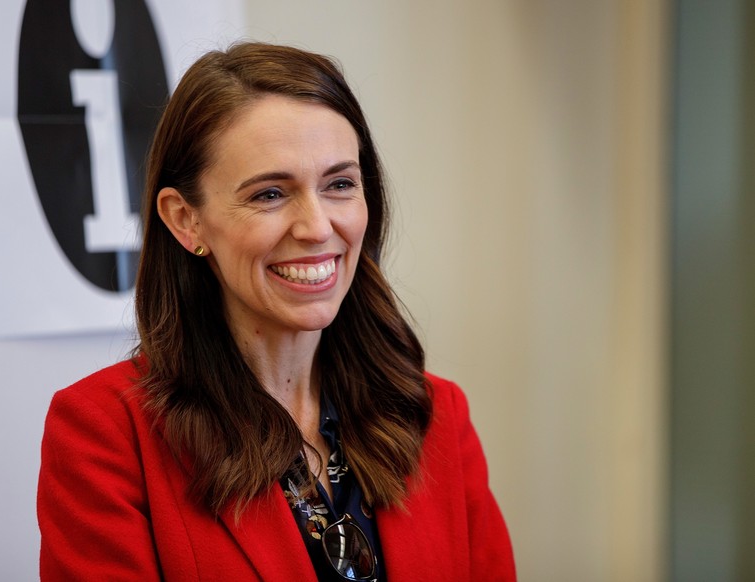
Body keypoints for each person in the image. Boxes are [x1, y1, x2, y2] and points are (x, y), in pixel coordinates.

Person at [37, 41, 515, 581]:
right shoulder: (105, 436)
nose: (316, 227)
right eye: (269, 194)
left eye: (339, 184)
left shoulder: (436, 415)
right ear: (185, 220)